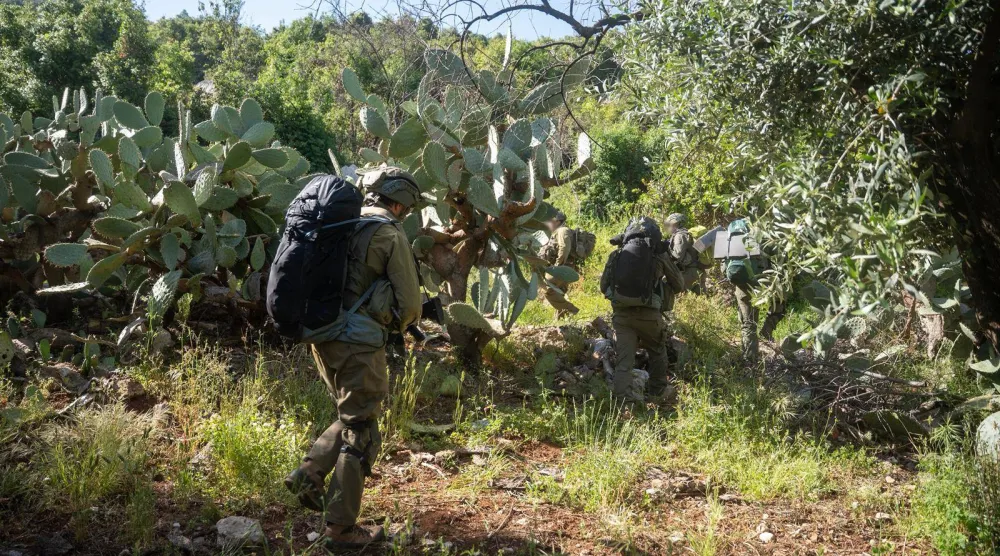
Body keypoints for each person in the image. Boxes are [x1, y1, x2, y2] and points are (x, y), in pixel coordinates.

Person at [284, 166, 421, 549]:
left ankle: (308, 474)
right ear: (400, 202)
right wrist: (402, 323)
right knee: (361, 429)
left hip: (321, 334)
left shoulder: (340, 224)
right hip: (357, 341)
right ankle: (340, 530)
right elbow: (410, 304)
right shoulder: (389, 233)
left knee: (352, 413)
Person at [600, 217, 685, 401]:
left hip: (622, 316)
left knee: (624, 362)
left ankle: (623, 404)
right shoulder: (658, 255)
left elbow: (603, 286)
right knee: (657, 352)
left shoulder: (618, 253)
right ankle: (657, 394)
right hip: (649, 316)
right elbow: (678, 284)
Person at [537, 211, 582, 318]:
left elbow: (564, 248)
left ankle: (572, 310)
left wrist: (557, 267)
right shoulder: (558, 231)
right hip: (564, 267)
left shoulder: (562, 230)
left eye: (549, 221)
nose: (547, 223)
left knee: (547, 288)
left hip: (563, 268)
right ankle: (561, 318)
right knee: (559, 292)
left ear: (557, 222)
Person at [664, 213, 703, 292]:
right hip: (693, 271)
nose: (668, 227)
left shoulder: (680, 235)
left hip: (688, 272)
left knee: (666, 286)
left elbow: (677, 256)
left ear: (675, 224)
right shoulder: (685, 233)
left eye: (669, 224)